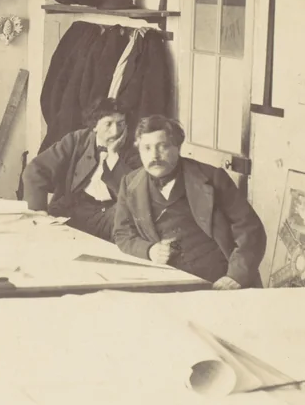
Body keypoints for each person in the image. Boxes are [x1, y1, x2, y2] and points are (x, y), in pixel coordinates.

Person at [113, 115, 266, 289]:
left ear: (178, 147)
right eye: (146, 148)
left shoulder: (213, 178)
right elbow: (122, 234)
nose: (154, 155)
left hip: (217, 280)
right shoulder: (130, 184)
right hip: (163, 280)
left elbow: (251, 228)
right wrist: (149, 250)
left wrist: (236, 276)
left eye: (163, 146)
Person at [22, 97, 141, 240]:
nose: (115, 131)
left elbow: (135, 194)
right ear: (95, 126)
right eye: (108, 124)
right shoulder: (77, 139)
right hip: (72, 208)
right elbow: (36, 169)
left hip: (109, 214)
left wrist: (113, 156)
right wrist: (38, 211)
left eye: (120, 124)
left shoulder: (135, 149)